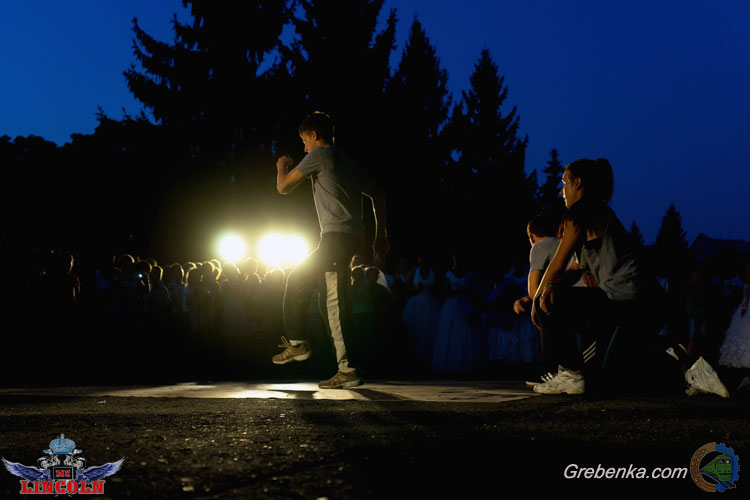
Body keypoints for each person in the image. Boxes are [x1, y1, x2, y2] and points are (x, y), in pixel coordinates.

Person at [271, 111, 388, 389]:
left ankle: (348, 369)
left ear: (314, 135)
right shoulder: (350, 162)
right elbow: (378, 194)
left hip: (336, 238)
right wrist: (381, 234)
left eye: (304, 141)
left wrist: (280, 166)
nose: (304, 149)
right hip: (346, 237)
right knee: (298, 280)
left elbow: (283, 187)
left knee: (332, 302)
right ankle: (298, 343)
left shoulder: (319, 155)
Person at [530, 158, 667, 395]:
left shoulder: (580, 215)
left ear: (578, 183)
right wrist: (552, 287)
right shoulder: (597, 213)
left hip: (631, 303)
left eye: (564, 183)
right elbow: (573, 269)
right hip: (640, 303)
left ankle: (571, 373)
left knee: (548, 302)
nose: (562, 191)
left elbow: (557, 264)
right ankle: (684, 369)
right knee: (608, 382)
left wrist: (537, 300)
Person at [512, 214, 560, 383]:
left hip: (561, 302)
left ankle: (549, 371)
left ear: (531, 237)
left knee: (542, 307)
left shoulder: (539, 246)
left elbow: (534, 291)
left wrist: (527, 299)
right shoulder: (562, 243)